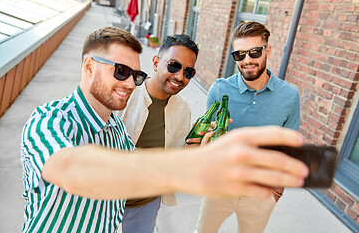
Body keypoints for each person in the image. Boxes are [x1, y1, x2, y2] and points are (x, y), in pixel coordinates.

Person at [20, 26, 308, 233]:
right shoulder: (50, 120)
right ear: (88, 66)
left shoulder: (116, 127)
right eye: (121, 71)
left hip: (138, 209)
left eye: (134, 75)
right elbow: (72, 168)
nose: (130, 83)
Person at [195, 21, 301, 233]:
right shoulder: (219, 90)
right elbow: (208, 142)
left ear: (267, 50)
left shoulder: (289, 96)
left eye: (254, 52)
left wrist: (277, 192)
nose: (247, 60)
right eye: (240, 55)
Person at [118, 34, 198, 232]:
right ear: (156, 62)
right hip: (105, 200)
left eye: (188, 71)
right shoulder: (124, 94)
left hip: (146, 204)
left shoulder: (183, 109)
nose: (180, 76)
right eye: (173, 65)